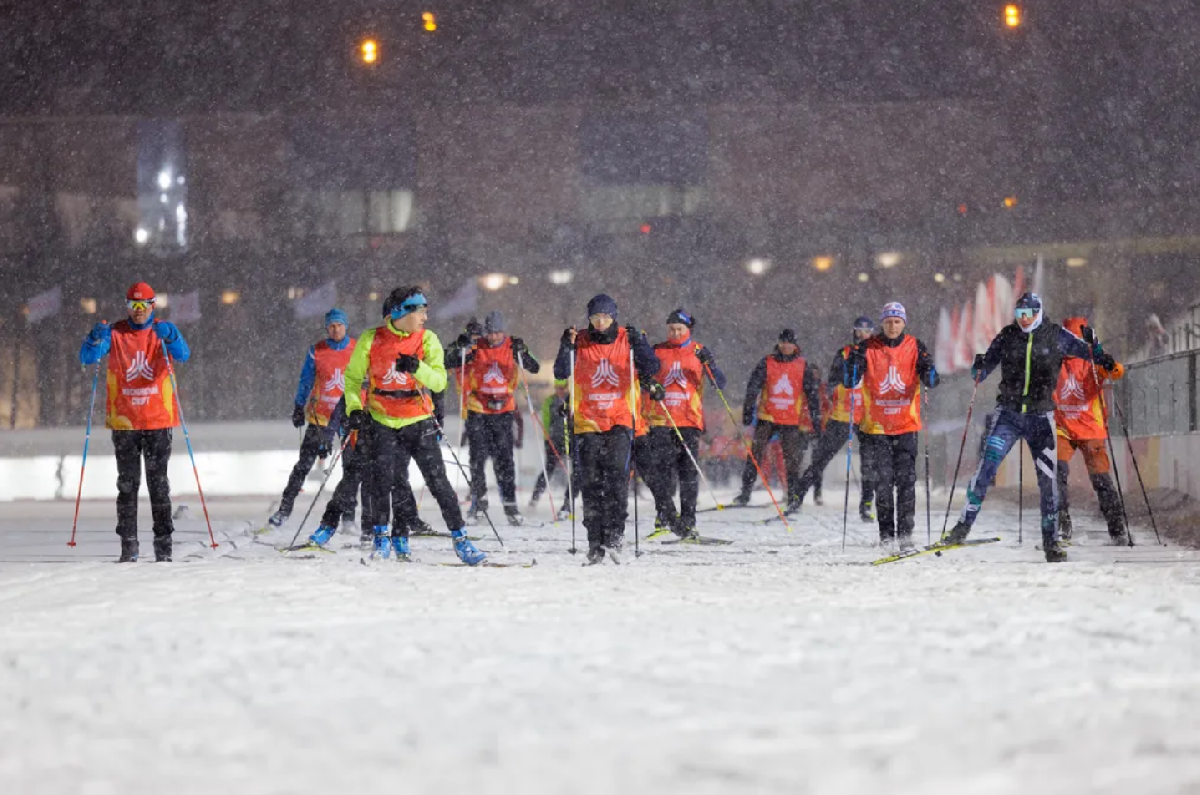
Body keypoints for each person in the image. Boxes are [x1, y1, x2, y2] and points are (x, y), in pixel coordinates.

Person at [941, 293, 1097, 562]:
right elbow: (985, 366)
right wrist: (978, 368)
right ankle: (961, 528)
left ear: (1039, 312)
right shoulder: (1007, 335)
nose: (1024, 319)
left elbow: (1090, 354)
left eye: (1029, 314)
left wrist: (1095, 343)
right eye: (1019, 314)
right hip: (1008, 416)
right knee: (986, 468)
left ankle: (1051, 541)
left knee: (1048, 482)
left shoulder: (1055, 335)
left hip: (1041, 418)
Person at [342, 286, 486, 565]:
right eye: (419, 310)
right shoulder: (371, 339)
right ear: (400, 313)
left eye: (425, 310)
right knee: (384, 482)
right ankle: (384, 540)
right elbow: (351, 380)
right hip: (382, 420)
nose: (424, 316)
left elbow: (439, 382)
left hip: (418, 420)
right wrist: (355, 409)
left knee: (439, 483)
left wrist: (417, 367)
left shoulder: (428, 339)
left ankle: (461, 540)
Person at [79, 282, 189, 562]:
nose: (138, 311)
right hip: (125, 423)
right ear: (126, 306)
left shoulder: (161, 332)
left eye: (143, 305)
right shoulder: (115, 333)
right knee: (127, 485)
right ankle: (129, 545)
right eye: (132, 305)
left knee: (159, 485)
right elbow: (88, 357)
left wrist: (173, 335)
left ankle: (163, 546)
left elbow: (183, 355)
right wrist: (93, 338)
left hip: (157, 421)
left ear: (153, 305)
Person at [553, 294, 660, 564]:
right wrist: (565, 346)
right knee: (590, 481)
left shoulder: (627, 338)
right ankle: (594, 541)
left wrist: (642, 345)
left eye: (606, 317)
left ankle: (614, 535)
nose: (601, 322)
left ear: (614, 316)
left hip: (620, 419)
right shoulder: (580, 340)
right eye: (595, 318)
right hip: (588, 420)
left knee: (616, 478)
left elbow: (653, 367)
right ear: (589, 319)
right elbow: (560, 371)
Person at [844, 303, 938, 550]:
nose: (892, 326)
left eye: (897, 322)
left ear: (904, 323)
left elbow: (933, 378)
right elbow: (848, 381)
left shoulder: (915, 346)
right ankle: (887, 534)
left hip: (906, 425)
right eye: (888, 322)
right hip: (876, 427)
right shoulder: (867, 347)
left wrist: (928, 371)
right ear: (882, 323)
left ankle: (906, 534)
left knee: (906, 481)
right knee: (882, 483)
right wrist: (852, 364)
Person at [444, 310, 538, 525]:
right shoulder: (477, 347)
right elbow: (450, 362)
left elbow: (534, 366)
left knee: (504, 459)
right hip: (478, 407)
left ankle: (510, 506)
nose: (494, 337)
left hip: (504, 409)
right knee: (477, 459)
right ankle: (478, 501)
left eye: (498, 332)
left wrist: (523, 351)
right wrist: (460, 347)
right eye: (491, 333)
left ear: (504, 331)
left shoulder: (512, 345)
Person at [267, 308, 354, 528]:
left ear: (346, 326)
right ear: (327, 328)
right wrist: (298, 405)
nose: (336, 330)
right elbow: (306, 380)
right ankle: (284, 510)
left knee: (351, 467)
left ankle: (349, 517)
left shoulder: (357, 348)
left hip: (349, 415)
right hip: (321, 416)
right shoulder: (317, 350)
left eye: (339, 325)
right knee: (303, 465)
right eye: (332, 326)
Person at [644, 308, 726, 538]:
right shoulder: (658, 350)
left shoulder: (699, 350)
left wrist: (709, 364)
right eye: (671, 329)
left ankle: (689, 520)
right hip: (661, 419)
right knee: (663, 471)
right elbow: (643, 378)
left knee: (688, 472)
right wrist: (650, 385)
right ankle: (664, 517)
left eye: (680, 329)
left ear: (688, 330)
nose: (675, 333)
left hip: (689, 420)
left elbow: (719, 383)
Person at [791, 316, 876, 518]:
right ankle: (797, 497)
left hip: (868, 414)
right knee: (821, 457)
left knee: (869, 462)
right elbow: (831, 382)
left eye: (867, 332)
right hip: (843, 413)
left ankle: (866, 504)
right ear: (854, 332)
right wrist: (840, 388)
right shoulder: (845, 353)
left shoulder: (878, 353)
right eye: (859, 331)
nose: (863, 335)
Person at [1053, 317, 1127, 545]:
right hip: (1066, 429)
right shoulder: (1056, 362)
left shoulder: (1091, 361)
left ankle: (1065, 525)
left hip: (1085, 430)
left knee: (1060, 477)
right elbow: (1117, 372)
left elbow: (1115, 371)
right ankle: (1116, 530)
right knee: (1096, 480)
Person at [733, 329, 820, 512]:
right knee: (755, 454)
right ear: (778, 343)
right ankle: (745, 492)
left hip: (790, 420)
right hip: (767, 417)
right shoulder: (767, 362)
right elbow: (753, 386)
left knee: (791, 460)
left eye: (789, 343)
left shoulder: (803, 365)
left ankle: (793, 495)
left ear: (795, 345)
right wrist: (748, 409)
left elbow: (812, 395)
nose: (786, 346)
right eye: (783, 342)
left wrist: (816, 419)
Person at [529, 379, 574, 520]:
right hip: (554, 440)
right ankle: (535, 497)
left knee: (578, 471)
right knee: (549, 469)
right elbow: (547, 421)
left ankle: (570, 501)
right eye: (558, 388)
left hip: (571, 440)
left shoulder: (573, 399)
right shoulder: (550, 401)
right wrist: (547, 439)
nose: (560, 390)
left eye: (563, 388)